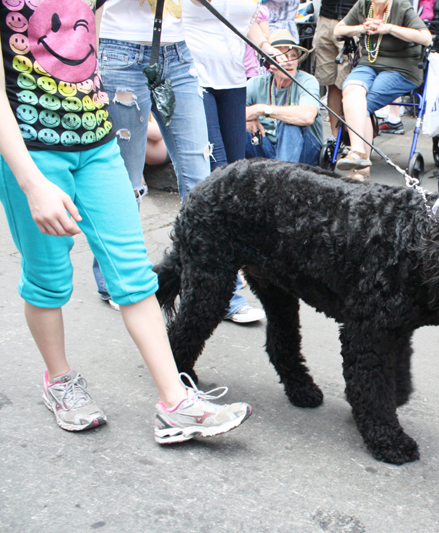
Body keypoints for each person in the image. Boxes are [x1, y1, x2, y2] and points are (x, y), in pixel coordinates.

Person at [0, 0, 251, 442]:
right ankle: (59, 381)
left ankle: (175, 402)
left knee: (134, 274)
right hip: (34, 149)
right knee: (48, 279)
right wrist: (30, 181)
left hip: (97, 143)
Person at [97, 0, 265, 324]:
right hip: (120, 49)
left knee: (203, 182)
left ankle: (222, 292)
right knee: (128, 181)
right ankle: (119, 281)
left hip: (178, 51)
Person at [333, 0, 432, 180]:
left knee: (365, 101)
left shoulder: (400, 6)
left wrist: (388, 28)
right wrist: (360, 28)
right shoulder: (363, 5)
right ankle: (358, 153)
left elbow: (426, 38)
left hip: (401, 69)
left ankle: (361, 166)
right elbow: (338, 30)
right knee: (351, 90)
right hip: (368, 64)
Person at [184, 0, 272, 171]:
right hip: (195, 76)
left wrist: (266, 47)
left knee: (235, 165)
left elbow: (247, 20)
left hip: (234, 78)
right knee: (217, 164)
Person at [244, 30, 323, 164]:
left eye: (293, 56)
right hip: (267, 147)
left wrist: (262, 109)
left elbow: (307, 116)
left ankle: (283, 181)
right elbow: (232, 115)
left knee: (289, 123)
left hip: (305, 152)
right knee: (241, 130)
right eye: (283, 57)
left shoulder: (307, 81)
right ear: (270, 63)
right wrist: (246, 120)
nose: (290, 62)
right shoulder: (255, 83)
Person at [313, 0, 357, 136]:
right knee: (331, 83)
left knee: (351, 84)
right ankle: (335, 136)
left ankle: (355, 136)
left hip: (352, 19)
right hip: (326, 18)